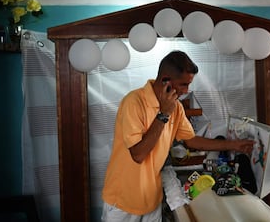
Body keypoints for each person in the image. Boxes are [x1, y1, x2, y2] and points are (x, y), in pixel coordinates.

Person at [101, 50, 255, 222]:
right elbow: (138, 154)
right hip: (123, 200)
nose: (187, 90)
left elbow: (191, 140)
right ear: (166, 80)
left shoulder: (177, 108)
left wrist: (233, 145)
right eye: (183, 84)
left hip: (151, 199)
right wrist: (163, 114)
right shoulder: (133, 102)